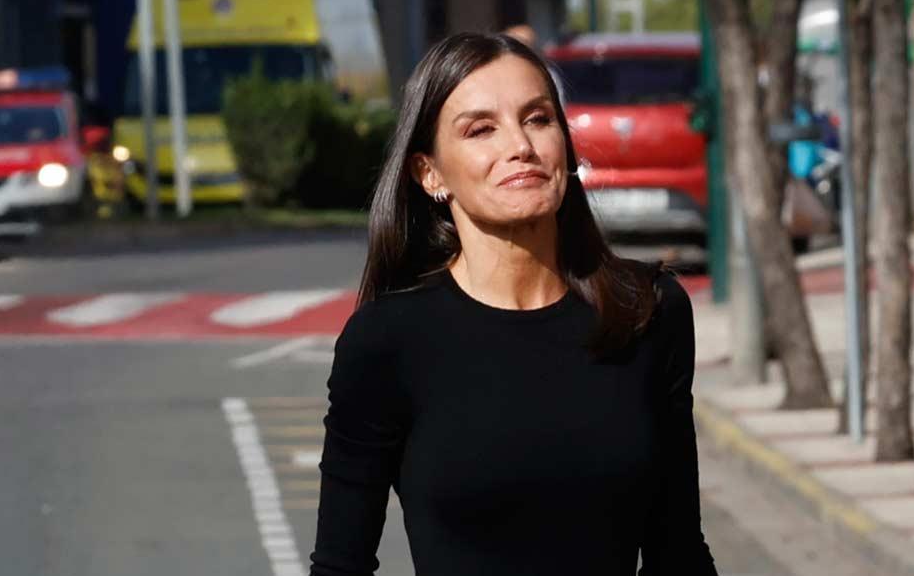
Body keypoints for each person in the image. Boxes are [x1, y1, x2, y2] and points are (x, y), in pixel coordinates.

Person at [308, 32, 719, 576]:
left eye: (538, 119)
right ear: (429, 172)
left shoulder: (648, 312)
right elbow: (341, 567)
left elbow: (679, 553)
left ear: (565, 146)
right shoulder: (387, 340)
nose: (520, 145)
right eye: (481, 129)